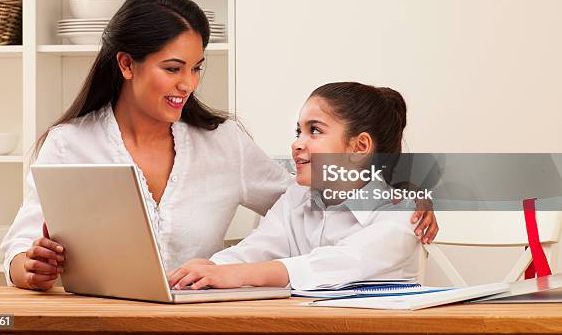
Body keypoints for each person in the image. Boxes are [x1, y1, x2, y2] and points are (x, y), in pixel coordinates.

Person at [1, 0, 438, 291]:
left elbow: (307, 193)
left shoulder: (224, 142)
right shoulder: (68, 144)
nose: (188, 83)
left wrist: (396, 187)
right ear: (127, 65)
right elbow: (21, 250)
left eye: (197, 67)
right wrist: (31, 269)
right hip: (96, 323)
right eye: (173, 68)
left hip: (197, 319)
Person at [169, 82, 430, 290]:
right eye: (298, 132)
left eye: (314, 131)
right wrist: (202, 272)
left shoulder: (403, 215)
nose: (297, 143)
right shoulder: (297, 198)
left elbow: (330, 265)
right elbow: (255, 249)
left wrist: (231, 274)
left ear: (359, 147)